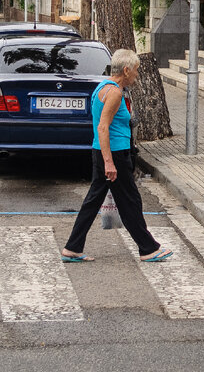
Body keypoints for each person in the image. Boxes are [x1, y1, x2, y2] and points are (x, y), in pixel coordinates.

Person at [61, 48, 171, 262]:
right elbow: (103, 127)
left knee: (94, 200)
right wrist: (109, 162)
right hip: (115, 154)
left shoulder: (102, 86)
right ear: (127, 70)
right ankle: (148, 249)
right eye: (136, 71)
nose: (137, 75)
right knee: (130, 201)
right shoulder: (114, 92)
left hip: (102, 151)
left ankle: (73, 247)